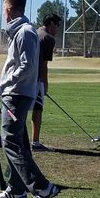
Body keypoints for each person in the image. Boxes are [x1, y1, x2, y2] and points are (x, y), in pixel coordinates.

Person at [0, 0, 60, 198]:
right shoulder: (20, 32)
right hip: (15, 92)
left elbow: (26, 68)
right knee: (19, 142)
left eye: (4, 8)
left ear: (8, 10)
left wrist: (3, 86)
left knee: (12, 143)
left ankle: (42, 188)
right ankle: (16, 191)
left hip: (17, 95)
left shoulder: (24, 32)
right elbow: (16, 67)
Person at [31, 13, 61, 151]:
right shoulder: (48, 38)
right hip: (36, 79)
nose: (58, 28)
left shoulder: (34, 32)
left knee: (21, 108)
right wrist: (45, 84)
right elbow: (44, 64)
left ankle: (17, 140)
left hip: (24, 77)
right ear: (51, 24)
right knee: (38, 109)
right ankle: (35, 143)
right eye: (57, 25)